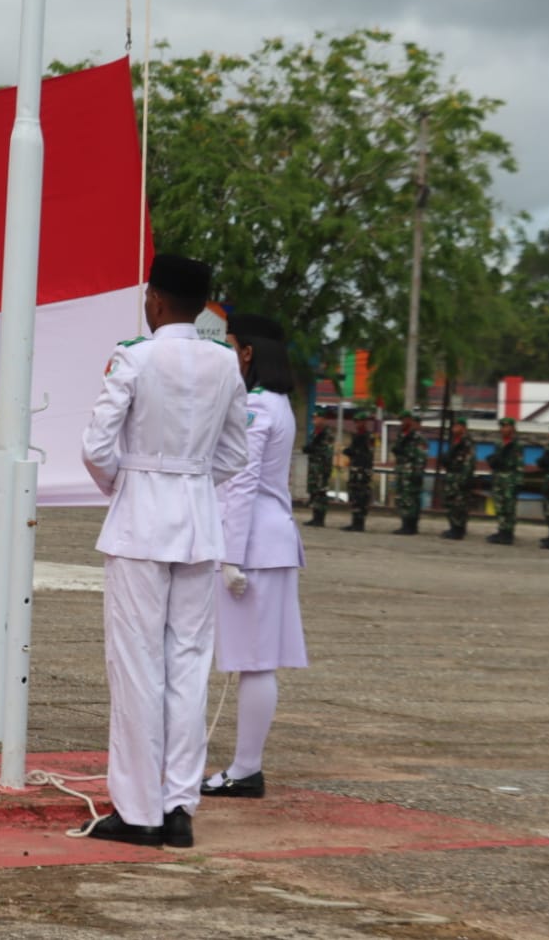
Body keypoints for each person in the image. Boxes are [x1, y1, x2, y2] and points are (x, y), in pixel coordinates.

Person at [80, 253, 247, 849]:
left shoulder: (134, 355)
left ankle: (138, 810)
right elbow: (235, 452)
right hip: (199, 523)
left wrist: (129, 485)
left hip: (141, 524)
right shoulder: (226, 362)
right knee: (188, 667)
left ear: (153, 299)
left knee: (136, 667)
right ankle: (179, 807)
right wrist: (192, 480)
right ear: (204, 305)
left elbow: (98, 446)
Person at [202, 317, 306, 802]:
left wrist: (228, 556)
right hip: (270, 544)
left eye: (230, 346)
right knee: (257, 662)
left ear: (247, 354)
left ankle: (246, 769)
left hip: (254, 550)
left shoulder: (258, 405)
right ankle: (246, 767)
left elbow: (241, 483)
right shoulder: (279, 403)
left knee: (254, 662)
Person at [485, 418, 524, 545]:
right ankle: (501, 530)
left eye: (507, 426)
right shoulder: (498, 443)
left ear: (512, 428)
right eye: (502, 427)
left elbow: (519, 465)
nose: (504, 429)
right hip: (498, 478)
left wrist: (518, 482)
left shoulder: (517, 445)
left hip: (510, 478)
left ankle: (508, 533)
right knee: (499, 506)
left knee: (509, 507)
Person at [440, 417, 476, 540]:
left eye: (457, 425)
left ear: (463, 427)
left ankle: (458, 530)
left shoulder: (467, 442)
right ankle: (453, 527)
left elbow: (469, 462)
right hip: (451, 476)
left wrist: (464, 479)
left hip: (460, 478)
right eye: (453, 425)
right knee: (450, 503)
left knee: (459, 505)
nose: (454, 428)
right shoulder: (454, 442)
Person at [390, 411, 425, 535]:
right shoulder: (402, 436)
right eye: (401, 420)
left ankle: (411, 526)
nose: (402, 422)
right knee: (402, 498)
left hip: (412, 472)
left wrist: (417, 472)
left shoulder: (418, 437)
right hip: (402, 471)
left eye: (405, 420)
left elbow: (421, 456)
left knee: (411, 499)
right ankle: (405, 524)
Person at [340, 411, 373, 533]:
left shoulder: (366, 437)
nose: (357, 423)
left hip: (362, 471)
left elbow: (364, 454)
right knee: (354, 495)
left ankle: (359, 523)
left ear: (364, 422)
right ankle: (354, 522)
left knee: (361, 496)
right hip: (355, 470)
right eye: (356, 421)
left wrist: (350, 451)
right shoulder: (357, 436)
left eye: (360, 421)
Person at [301, 408, 334, 528]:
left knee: (321, 492)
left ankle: (320, 518)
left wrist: (313, 449)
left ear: (323, 419)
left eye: (317, 417)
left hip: (322, 467)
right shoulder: (315, 433)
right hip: (314, 467)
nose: (315, 420)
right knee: (314, 491)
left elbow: (327, 451)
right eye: (313, 418)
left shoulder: (327, 433)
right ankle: (315, 517)